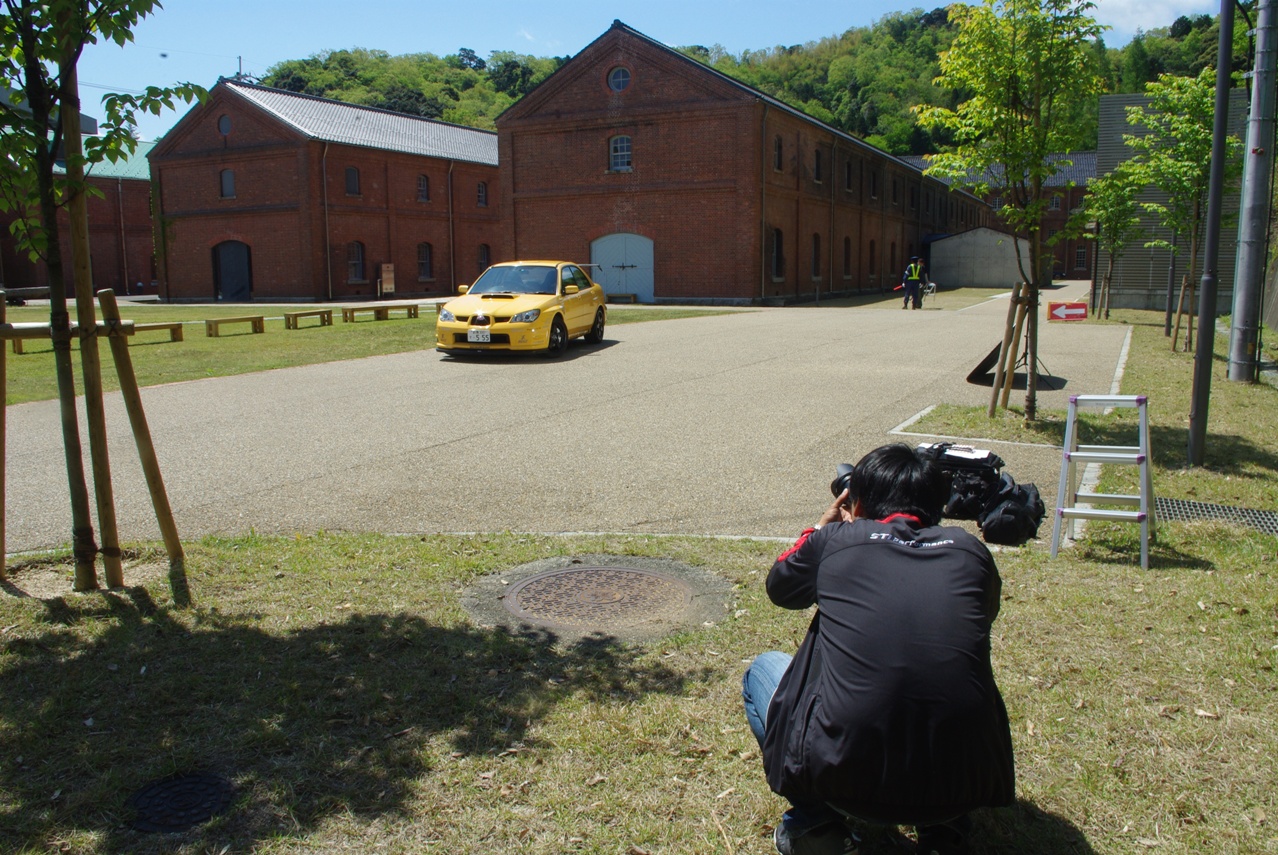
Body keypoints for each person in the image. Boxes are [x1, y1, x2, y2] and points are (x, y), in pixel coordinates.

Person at [742, 443, 1014, 855]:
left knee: (764, 670)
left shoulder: (836, 539)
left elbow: (782, 588)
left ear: (857, 501)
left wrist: (822, 528)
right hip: (962, 787)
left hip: (841, 781)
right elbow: (984, 615)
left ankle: (816, 826)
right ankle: (945, 834)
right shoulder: (970, 551)